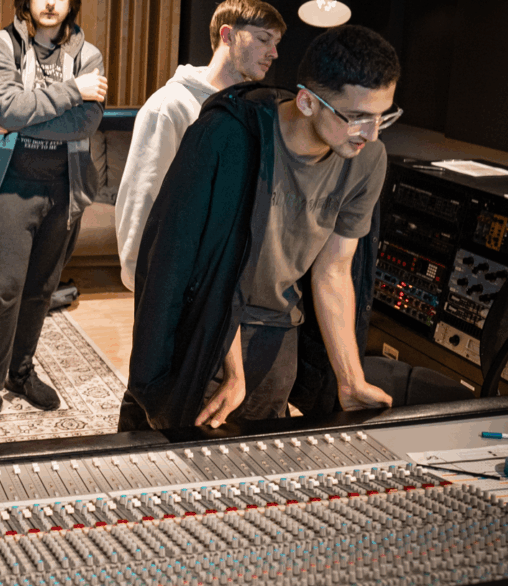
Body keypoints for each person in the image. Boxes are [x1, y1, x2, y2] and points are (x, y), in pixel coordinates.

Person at [121, 25, 401, 432]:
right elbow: (200, 264)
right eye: (357, 118)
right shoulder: (230, 138)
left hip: (278, 325)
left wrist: (350, 378)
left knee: (254, 458)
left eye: (382, 116)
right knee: (173, 442)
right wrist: (232, 370)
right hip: (205, 315)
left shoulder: (367, 158)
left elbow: (334, 270)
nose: (371, 135)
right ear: (307, 102)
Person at [0, 0, 107, 434]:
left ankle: (20, 374)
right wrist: (70, 92)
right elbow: (2, 109)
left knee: (41, 290)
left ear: (71, 3)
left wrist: (29, 115)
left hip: (63, 190)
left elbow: (87, 122)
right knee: (2, 290)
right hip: (9, 187)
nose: (50, 2)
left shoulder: (90, 56)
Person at [115, 0, 286, 291]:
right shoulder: (169, 107)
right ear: (228, 35)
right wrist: (139, 277)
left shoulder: (256, 113)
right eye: (263, 39)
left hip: (229, 283)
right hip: (175, 283)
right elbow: (142, 199)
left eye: (276, 43)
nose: (274, 53)